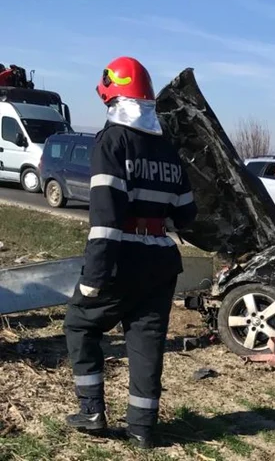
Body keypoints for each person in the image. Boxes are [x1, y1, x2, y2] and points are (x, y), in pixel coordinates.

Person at [62, 56, 197, 449]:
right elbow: (186, 215)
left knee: (79, 325)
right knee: (146, 342)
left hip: (122, 258)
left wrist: (94, 278)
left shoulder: (112, 141)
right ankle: (142, 428)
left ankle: (91, 411)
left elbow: (105, 220)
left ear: (112, 95)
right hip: (161, 262)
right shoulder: (168, 149)